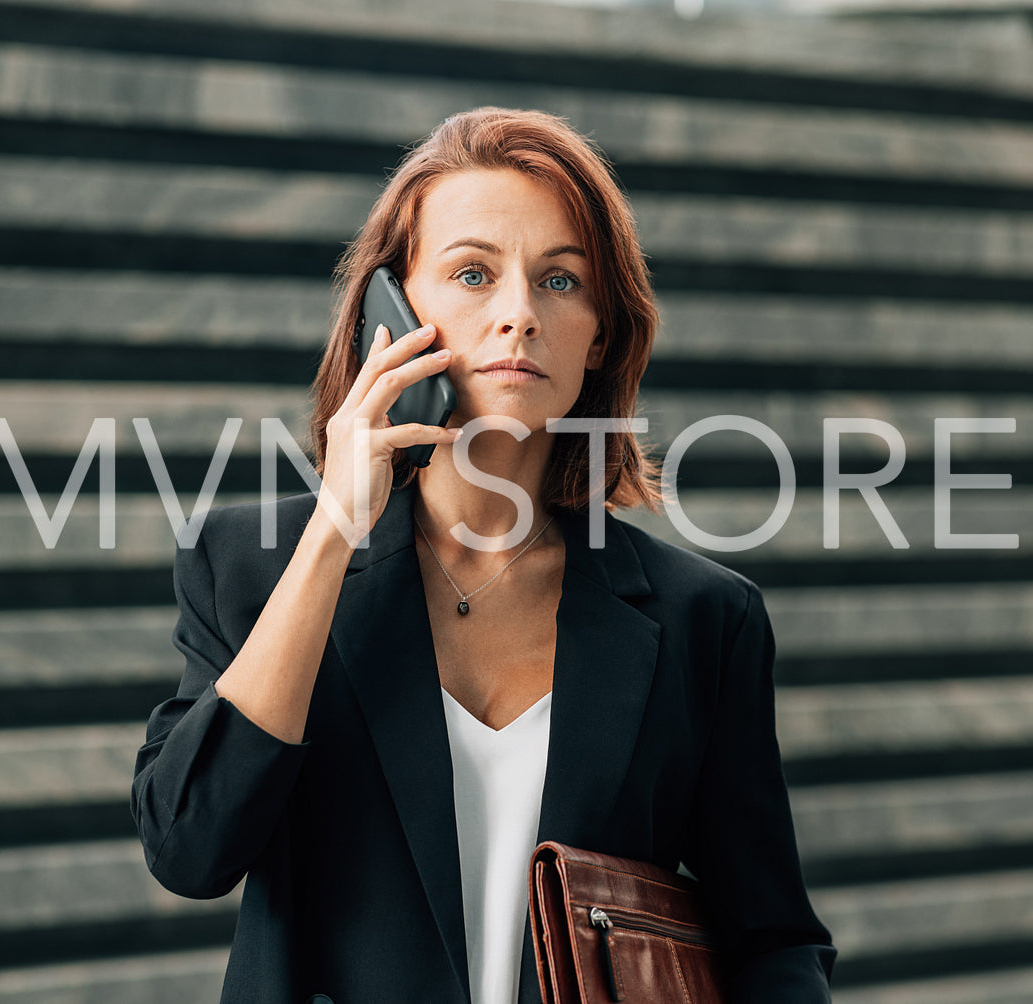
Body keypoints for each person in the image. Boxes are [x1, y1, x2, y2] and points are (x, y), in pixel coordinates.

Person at [131, 106, 835, 1004]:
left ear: (602, 332)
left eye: (560, 282)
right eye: (471, 273)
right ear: (391, 312)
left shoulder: (703, 617)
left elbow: (772, 940)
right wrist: (332, 535)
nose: (518, 316)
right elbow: (190, 850)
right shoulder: (248, 566)